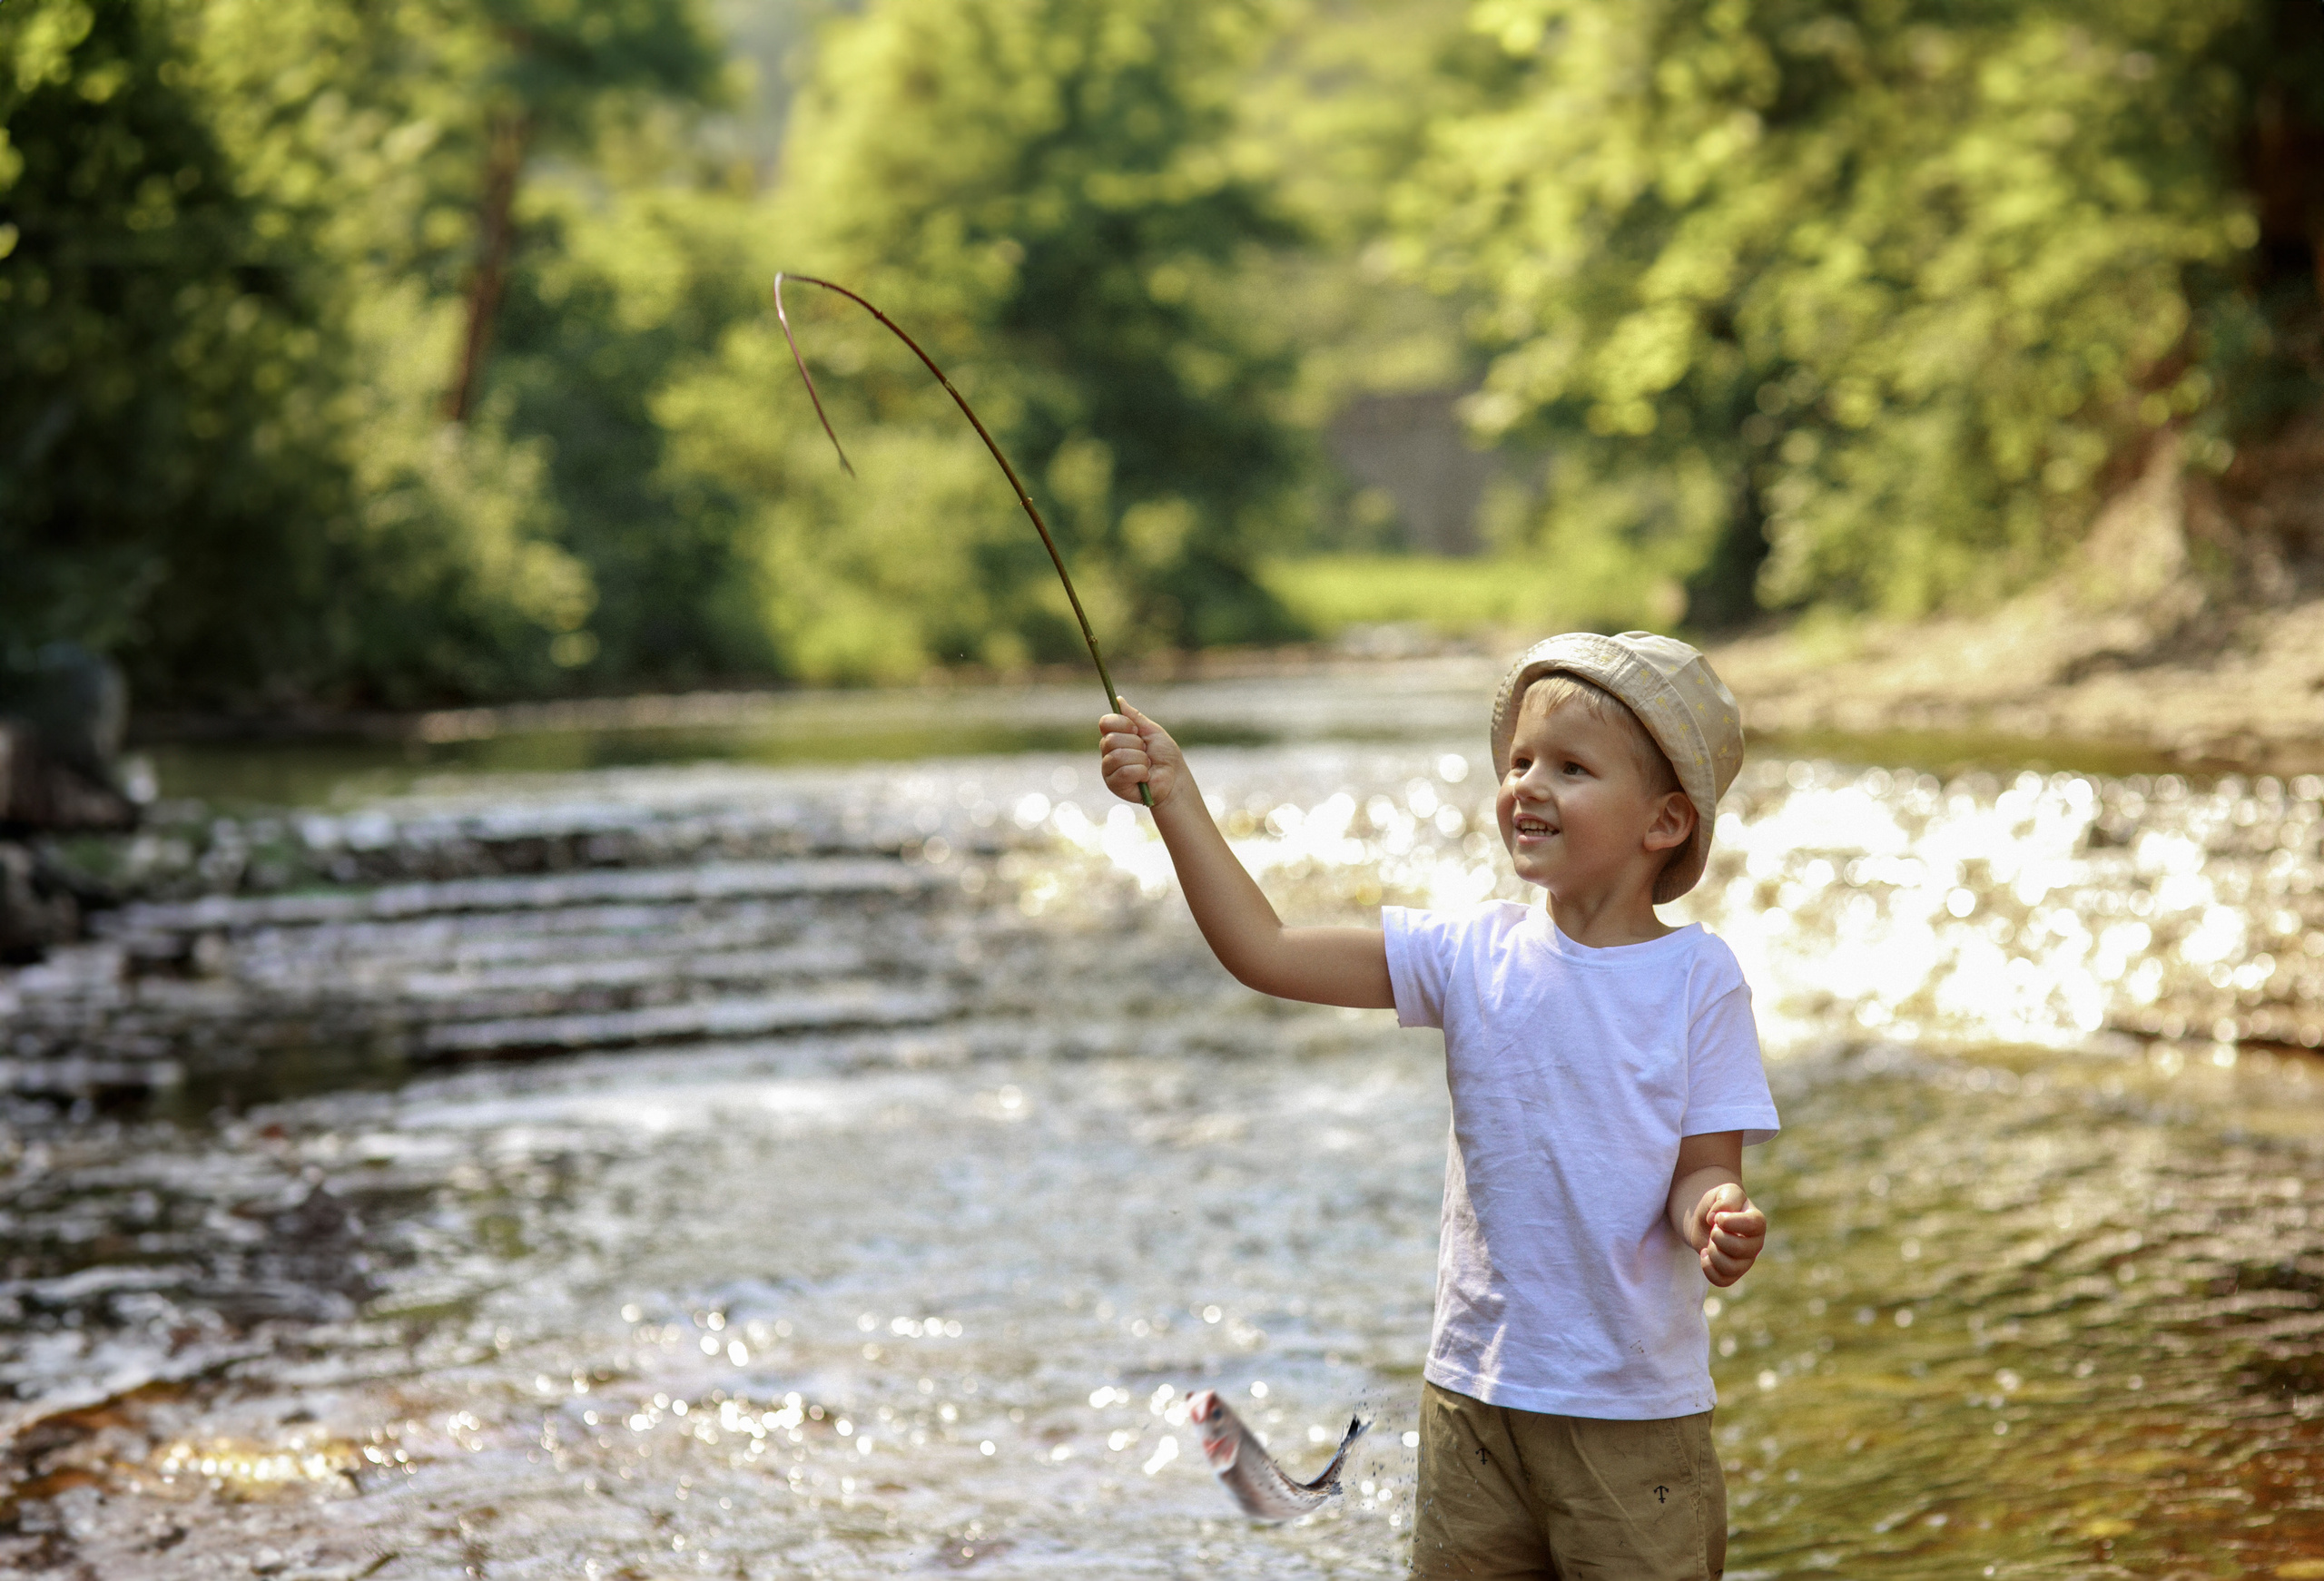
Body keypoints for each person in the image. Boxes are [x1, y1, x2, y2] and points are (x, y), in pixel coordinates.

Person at [1097, 631, 1777, 1579]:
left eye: (1571, 767)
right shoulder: (1467, 954)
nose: (1528, 784)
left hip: (1630, 1413)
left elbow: (1703, 1164)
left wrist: (1713, 1213)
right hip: (1472, 1398)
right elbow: (1267, 947)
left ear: (1663, 822)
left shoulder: (1696, 977)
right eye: (1519, 761)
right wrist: (1174, 798)